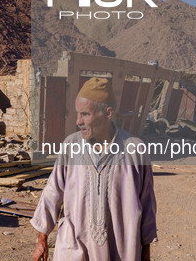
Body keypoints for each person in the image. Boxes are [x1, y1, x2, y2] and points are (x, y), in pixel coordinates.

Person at [31, 77, 157, 261]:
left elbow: (147, 204)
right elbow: (53, 192)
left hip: (120, 249)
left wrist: (145, 251)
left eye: (85, 114)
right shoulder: (71, 146)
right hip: (73, 246)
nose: (78, 121)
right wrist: (41, 240)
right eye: (77, 114)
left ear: (108, 113)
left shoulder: (135, 150)